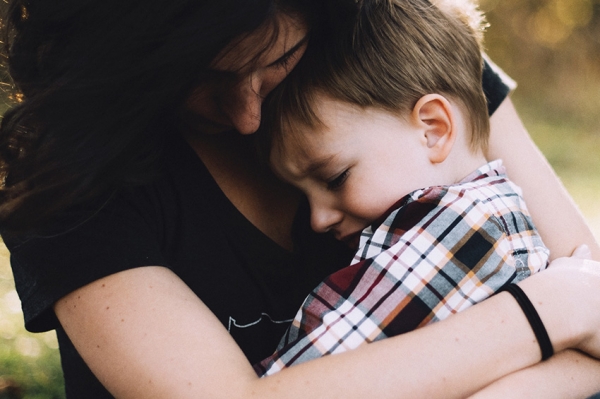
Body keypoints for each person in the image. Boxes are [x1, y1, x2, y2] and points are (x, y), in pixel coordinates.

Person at [0, 0, 599, 397]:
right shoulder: (65, 170)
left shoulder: (402, 58)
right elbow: (582, 303)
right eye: (198, 81)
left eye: (277, 62)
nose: (246, 118)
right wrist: (543, 314)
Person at [255, 0, 550, 375]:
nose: (317, 219)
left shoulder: (462, 230)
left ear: (433, 129)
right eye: (302, 193)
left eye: (335, 178)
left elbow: (307, 376)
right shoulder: (487, 215)